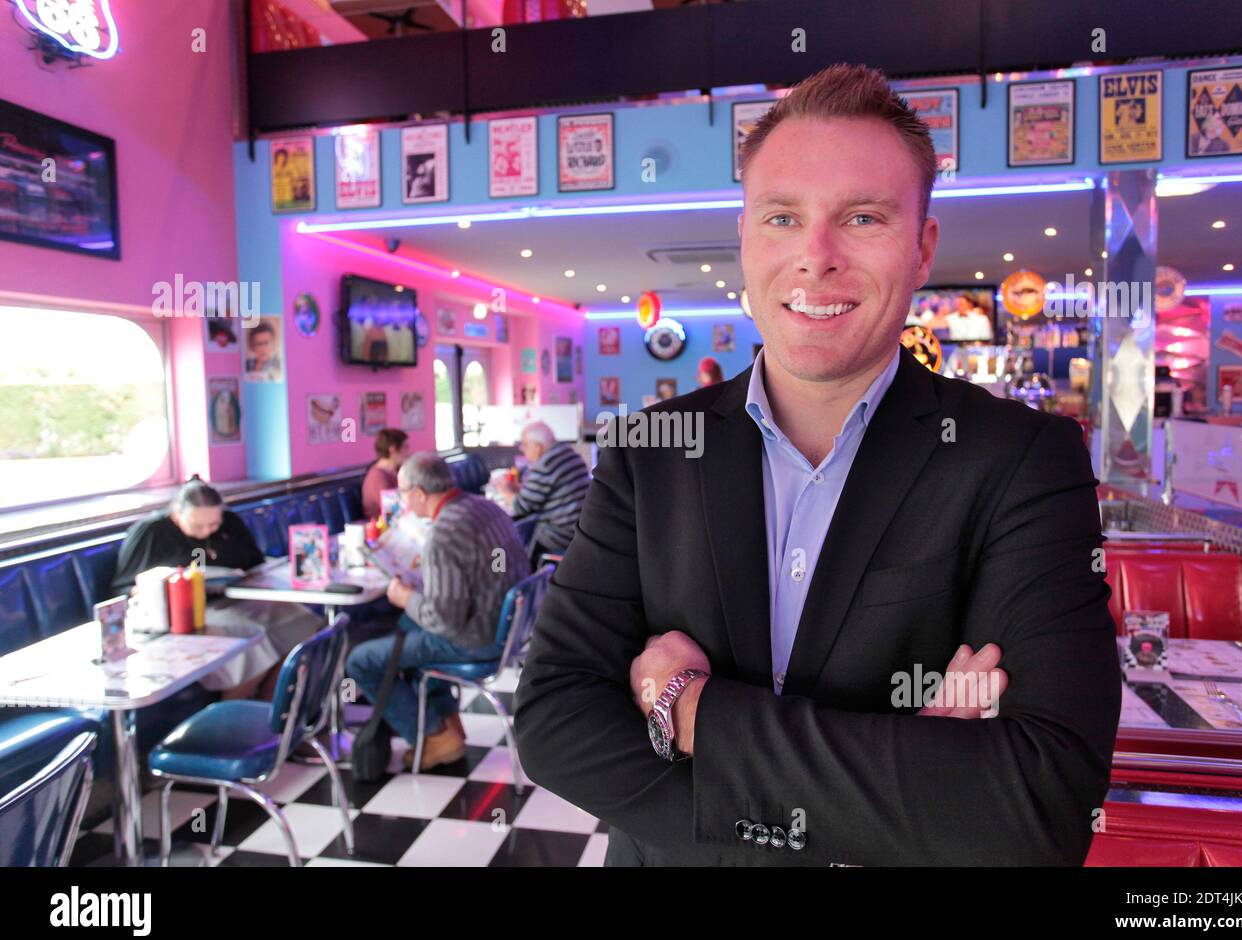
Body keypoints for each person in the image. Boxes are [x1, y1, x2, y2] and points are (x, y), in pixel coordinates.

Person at [514, 63, 1120, 866]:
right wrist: (885, 789)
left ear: (920, 245)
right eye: (781, 218)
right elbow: (554, 720)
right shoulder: (646, 451)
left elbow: (1043, 803)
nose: (815, 257)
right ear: (744, 238)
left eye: (863, 217)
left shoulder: (1021, 460)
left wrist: (691, 711)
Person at [346, 452, 528, 769]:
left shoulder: (442, 534)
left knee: (360, 661)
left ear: (418, 493)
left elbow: (443, 620)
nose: (402, 500)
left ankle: (434, 736)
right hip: (506, 630)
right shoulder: (486, 508)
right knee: (407, 626)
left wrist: (405, 597)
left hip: (475, 640)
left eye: (402, 492)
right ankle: (447, 721)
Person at [111, 477, 324, 700]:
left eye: (213, 525)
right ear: (176, 514)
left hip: (238, 598)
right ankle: (236, 713)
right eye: (197, 526)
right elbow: (121, 590)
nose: (206, 532)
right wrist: (150, 587)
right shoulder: (151, 532)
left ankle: (271, 709)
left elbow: (254, 563)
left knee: (302, 623)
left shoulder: (230, 522)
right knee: (252, 638)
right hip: (188, 612)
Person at [498, 422, 591, 562]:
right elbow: (540, 494)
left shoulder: (546, 465)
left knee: (515, 542)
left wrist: (505, 491)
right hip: (582, 528)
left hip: (561, 535)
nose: (522, 449)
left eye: (525, 444)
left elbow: (521, 507)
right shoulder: (569, 454)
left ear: (537, 447)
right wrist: (517, 490)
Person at [361, 428, 409, 519]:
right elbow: (392, 511)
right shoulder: (377, 476)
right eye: (405, 447)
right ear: (393, 449)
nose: (407, 452)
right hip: (383, 528)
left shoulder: (397, 470)